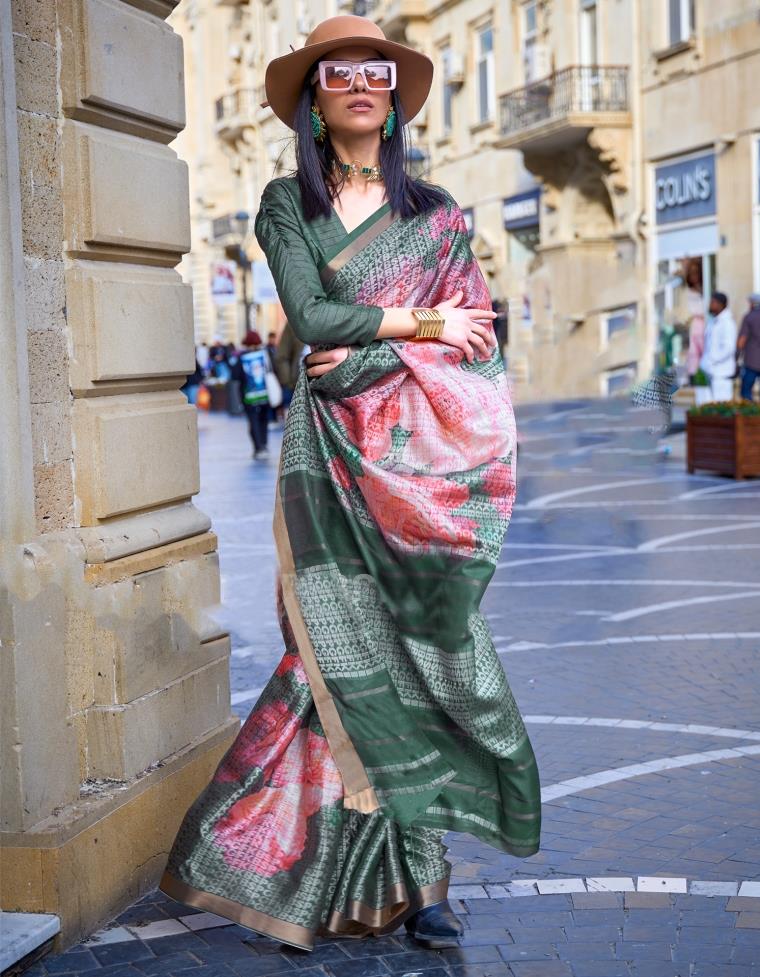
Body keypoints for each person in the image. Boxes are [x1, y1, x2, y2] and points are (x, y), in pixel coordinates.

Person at [160, 14, 540, 953]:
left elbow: (474, 350)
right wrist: (421, 324)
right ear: (314, 100)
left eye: (378, 69)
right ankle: (298, 867)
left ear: (395, 96)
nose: (362, 83)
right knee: (330, 657)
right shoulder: (286, 202)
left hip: (419, 474)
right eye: (340, 73)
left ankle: (423, 881)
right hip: (326, 464)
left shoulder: (437, 215)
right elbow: (311, 314)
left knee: (426, 657)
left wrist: (371, 354)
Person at [231, 330, 271, 458]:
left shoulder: (241, 357)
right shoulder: (264, 354)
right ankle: (264, 444)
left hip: (248, 395)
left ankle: (258, 448)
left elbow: (235, 375)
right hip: (265, 393)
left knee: (253, 420)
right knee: (264, 419)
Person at [700, 291, 737, 403]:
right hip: (710, 372)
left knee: (721, 408)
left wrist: (711, 359)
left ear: (721, 304)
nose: (710, 305)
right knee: (708, 407)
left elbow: (729, 348)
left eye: (713, 302)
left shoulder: (727, 323)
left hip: (722, 374)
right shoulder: (713, 322)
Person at [738, 292, 760, 402]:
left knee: (746, 393)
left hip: (752, 361)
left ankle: (750, 412)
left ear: (752, 304)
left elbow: (742, 340)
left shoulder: (749, 317)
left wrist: (736, 356)